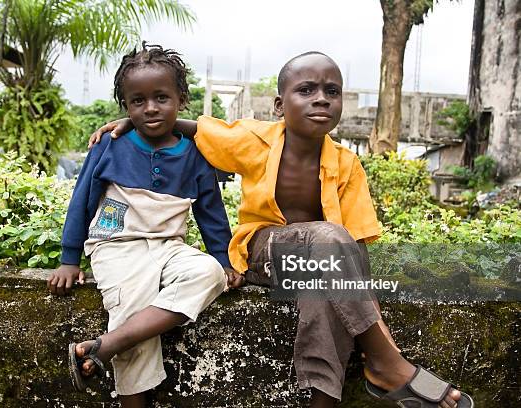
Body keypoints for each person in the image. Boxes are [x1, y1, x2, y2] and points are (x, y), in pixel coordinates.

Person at [89, 51, 474, 408]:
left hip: (322, 263)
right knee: (328, 238)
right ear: (279, 105)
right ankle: (386, 362)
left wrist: (363, 299)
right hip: (264, 254)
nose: (320, 99)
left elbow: (356, 249)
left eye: (332, 91)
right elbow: (197, 129)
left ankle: (327, 398)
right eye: (306, 90)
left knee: (326, 282)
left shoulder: (347, 164)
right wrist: (134, 121)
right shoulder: (255, 141)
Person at [47, 43, 244, 408]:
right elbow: (82, 201)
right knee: (132, 310)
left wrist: (223, 257)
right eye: (137, 101)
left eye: (161, 98)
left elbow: (211, 211)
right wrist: (69, 258)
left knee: (209, 274)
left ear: (181, 99)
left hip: (170, 248)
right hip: (117, 247)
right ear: (125, 106)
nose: (150, 108)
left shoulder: (195, 153)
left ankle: (111, 343)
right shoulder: (110, 144)